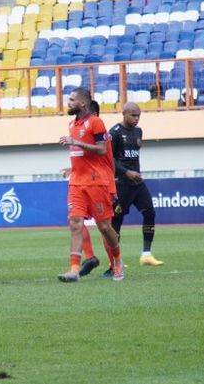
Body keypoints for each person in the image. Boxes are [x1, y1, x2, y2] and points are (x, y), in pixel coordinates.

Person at [58, 88, 124, 282]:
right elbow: (81, 156)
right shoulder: (72, 123)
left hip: (96, 183)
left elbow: (102, 150)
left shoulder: (95, 122)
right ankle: (74, 270)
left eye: (71, 100)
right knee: (75, 223)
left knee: (104, 226)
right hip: (77, 183)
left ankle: (117, 261)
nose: (68, 103)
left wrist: (76, 142)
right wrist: (72, 169)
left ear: (83, 104)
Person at [107, 102, 163, 276]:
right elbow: (109, 160)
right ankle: (115, 263)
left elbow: (134, 157)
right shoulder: (114, 133)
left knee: (150, 212)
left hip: (137, 183)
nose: (136, 118)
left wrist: (135, 173)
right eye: (133, 115)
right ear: (123, 114)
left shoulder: (138, 131)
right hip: (121, 184)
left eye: (138, 115)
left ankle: (146, 254)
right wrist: (126, 172)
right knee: (116, 221)